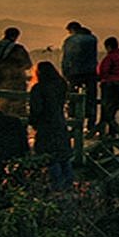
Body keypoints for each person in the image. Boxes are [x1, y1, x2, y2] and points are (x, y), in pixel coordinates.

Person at [29, 61, 73, 190]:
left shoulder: (38, 88)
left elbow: (36, 109)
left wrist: (33, 121)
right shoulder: (61, 85)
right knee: (63, 156)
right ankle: (69, 184)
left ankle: (57, 186)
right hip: (60, 122)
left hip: (45, 125)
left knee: (50, 156)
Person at [0, 27, 32, 115]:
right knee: (17, 107)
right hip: (16, 82)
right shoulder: (17, 49)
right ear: (16, 36)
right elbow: (28, 65)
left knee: (1, 104)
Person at [60, 21, 99, 132]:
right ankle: (91, 123)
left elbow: (67, 58)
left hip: (74, 73)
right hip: (91, 72)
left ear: (72, 29)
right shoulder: (92, 39)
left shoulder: (70, 40)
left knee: (73, 97)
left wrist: (65, 73)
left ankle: (73, 123)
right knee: (91, 97)